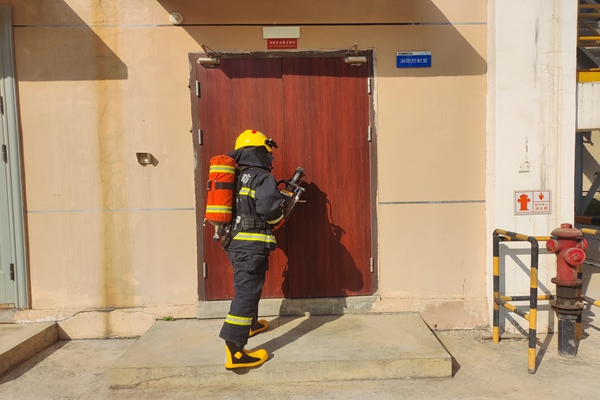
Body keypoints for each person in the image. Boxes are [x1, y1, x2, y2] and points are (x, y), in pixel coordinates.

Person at [219, 129, 285, 369]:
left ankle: (251, 324)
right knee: (246, 292)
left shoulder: (234, 175)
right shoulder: (261, 176)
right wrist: (280, 214)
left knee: (249, 286)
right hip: (251, 244)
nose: (270, 156)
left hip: (233, 242)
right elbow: (268, 210)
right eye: (268, 151)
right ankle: (235, 351)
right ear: (261, 151)